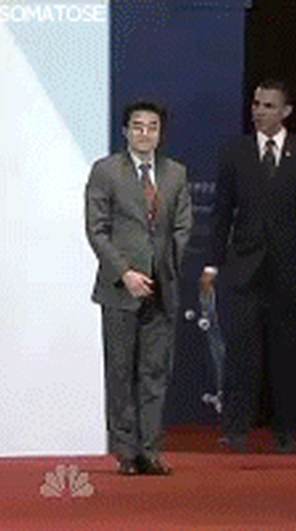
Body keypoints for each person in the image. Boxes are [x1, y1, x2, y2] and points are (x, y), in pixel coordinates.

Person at [201, 79, 296, 453]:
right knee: (241, 354)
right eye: (256, 104)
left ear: (286, 111)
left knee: (288, 354)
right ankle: (235, 428)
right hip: (243, 270)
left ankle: (286, 430)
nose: (259, 111)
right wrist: (212, 264)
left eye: (269, 105)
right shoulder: (235, 152)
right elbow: (221, 213)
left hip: (291, 271)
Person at [85, 101, 193, 475]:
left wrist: (164, 269)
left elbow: (183, 227)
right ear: (125, 131)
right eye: (138, 126)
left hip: (161, 288)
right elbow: (97, 229)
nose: (144, 133)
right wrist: (126, 272)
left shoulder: (175, 173)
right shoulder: (106, 171)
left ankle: (150, 450)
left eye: (152, 127)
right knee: (120, 371)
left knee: (154, 373)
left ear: (160, 133)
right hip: (120, 288)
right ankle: (126, 451)